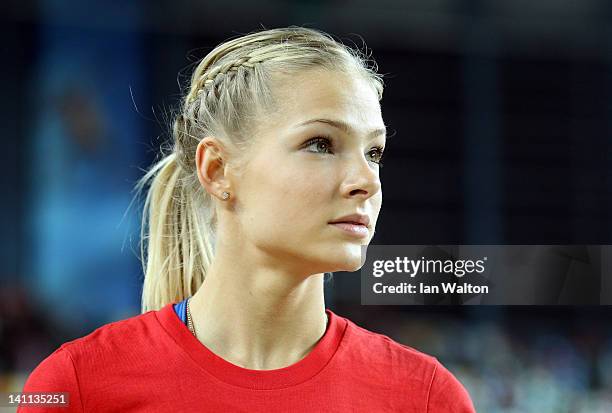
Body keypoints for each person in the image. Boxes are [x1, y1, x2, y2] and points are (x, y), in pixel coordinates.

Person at [18, 26, 476, 412]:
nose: (366, 180)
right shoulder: (76, 386)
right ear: (217, 170)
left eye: (373, 152)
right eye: (321, 143)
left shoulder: (426, 398)